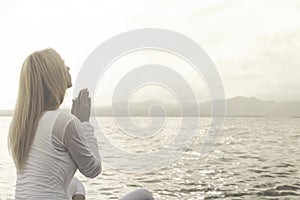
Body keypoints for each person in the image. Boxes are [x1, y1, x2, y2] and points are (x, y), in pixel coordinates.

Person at [8, 48, 154, 200]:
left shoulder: (21, 125)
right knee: (144, 195)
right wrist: (84, 122)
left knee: (76, 185)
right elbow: (93, 169)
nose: (68, 68)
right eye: (62, 65)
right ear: (53, 76)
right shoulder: (64, 122)